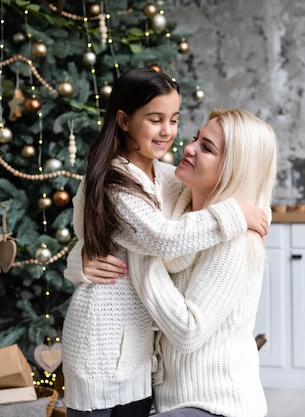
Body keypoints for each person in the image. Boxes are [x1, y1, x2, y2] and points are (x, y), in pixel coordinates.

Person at [61, 69, 268, 417]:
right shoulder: (115, 179)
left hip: (142, 357)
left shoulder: (170, 178)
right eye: (155, 120)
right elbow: (161, 238)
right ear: (124, 121)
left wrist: (251, 215)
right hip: (100, 348)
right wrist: (78, 259)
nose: (169, 133)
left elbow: (226, 192)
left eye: (173, 120)